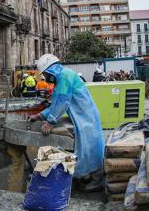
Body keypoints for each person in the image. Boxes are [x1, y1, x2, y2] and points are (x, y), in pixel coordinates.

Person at [29, 54, 105, 192]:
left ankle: (97, 180)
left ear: (51, 69)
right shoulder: (63, 77)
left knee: (91, 148)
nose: (45, 78)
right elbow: (57, 103)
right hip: (83, 115)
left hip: (86, 116)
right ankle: (86, 176)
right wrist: (40, 115)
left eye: (45, 74)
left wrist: (50, 122)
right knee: (85, 148)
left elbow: (63, 102)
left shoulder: (64, 76)